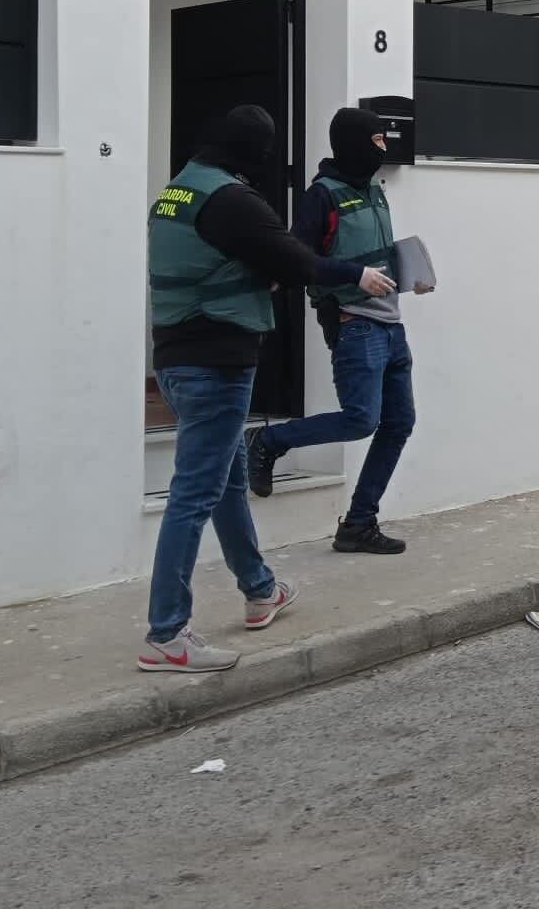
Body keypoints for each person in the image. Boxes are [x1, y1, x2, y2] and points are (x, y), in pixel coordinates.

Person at [142, 104, 397, 673]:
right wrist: (345, 274)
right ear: (252, 152)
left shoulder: (176, 192)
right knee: (194, 494)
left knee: (228, 479)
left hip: (179, 358)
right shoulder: (231, 200)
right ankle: (166, 633)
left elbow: (227, 259)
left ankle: (260, 589)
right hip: (216, 362)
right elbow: (296, 258)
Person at [246, 107, 429, 555]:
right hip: (356, 327)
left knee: (399, 422)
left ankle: (359, 523)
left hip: (392, 326)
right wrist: (353, 276)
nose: (383, 149)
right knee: (360, 420)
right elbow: (297, 260)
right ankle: (267, 440)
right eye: (377, 141)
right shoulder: (321, 197)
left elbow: (378, 252)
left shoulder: (374, 191)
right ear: (353, 143)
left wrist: (413, 274)